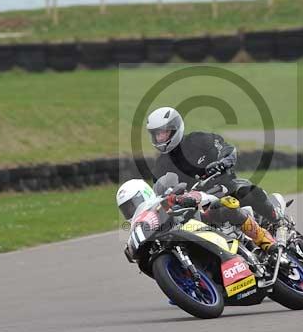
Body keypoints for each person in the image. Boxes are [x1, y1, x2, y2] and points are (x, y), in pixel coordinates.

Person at [145, 106, 280, 229]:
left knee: (248, 191)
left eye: (164, 133)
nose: (160, 138)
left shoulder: (199, 140)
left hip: (225, 189)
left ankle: (276, 218)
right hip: (194, 207)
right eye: (157, 134)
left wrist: (222, 162)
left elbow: (227, 149)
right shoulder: (160, 165)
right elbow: (159, 195)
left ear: (175, 128)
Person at [115, 177, 277, 263]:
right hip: (185, 238)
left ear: (145, 193)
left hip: (204, 222)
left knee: (226, 207)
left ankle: (266, 240)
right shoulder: (143, 224)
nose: (132, 209)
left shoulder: (163, 200)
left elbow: (198, 197)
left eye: (132, 204)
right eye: (126, 209)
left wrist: (184, 198)